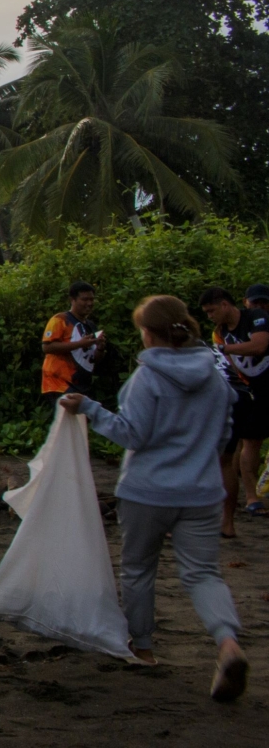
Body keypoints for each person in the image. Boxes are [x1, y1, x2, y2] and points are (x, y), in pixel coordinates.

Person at [60, 295, 248, 701]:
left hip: (147, 491)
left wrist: (89, 408)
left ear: (148, 332)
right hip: (202, 492)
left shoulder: (147, 379)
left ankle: (142, 648)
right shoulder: (215, 377)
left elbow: (132, 434)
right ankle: (227, 642)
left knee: (139, 569)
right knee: (203, 573)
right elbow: (223, 435)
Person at [200, 287, 269, 536]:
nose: (209, 316)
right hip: (247, 392)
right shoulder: (219, 333)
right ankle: (247, 501)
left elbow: (260, 346)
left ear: (225, 305)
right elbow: (228, 369)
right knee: (243, 446)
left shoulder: (256, 317)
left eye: (211, 311)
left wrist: (224, 350)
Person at [41, 281, 106, 408]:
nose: (89, 303)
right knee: (67, 423)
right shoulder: (60, 320)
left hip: (81, 385)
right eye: (84, 299)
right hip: (59, 383)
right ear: (73, 300)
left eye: (92, 299)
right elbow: (47, 347)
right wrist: (79, 344)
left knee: (81, 425)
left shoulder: (90, 326)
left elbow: (92, 359)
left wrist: (100, 348)